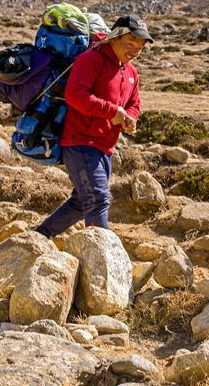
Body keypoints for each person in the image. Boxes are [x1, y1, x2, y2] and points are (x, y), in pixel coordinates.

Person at [35, 14, 152, 238]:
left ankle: (39, 237)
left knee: (81, 202)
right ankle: (104, 261)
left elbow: (134, 103)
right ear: (115, 37)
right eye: (131, 44)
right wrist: (111, 112)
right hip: (80, 142)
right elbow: (75, 95)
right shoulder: (92, 59)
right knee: (98, 199)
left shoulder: (131, 73)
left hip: (104, 147)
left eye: (140, 47)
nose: (135, 51)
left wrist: (130, 117)